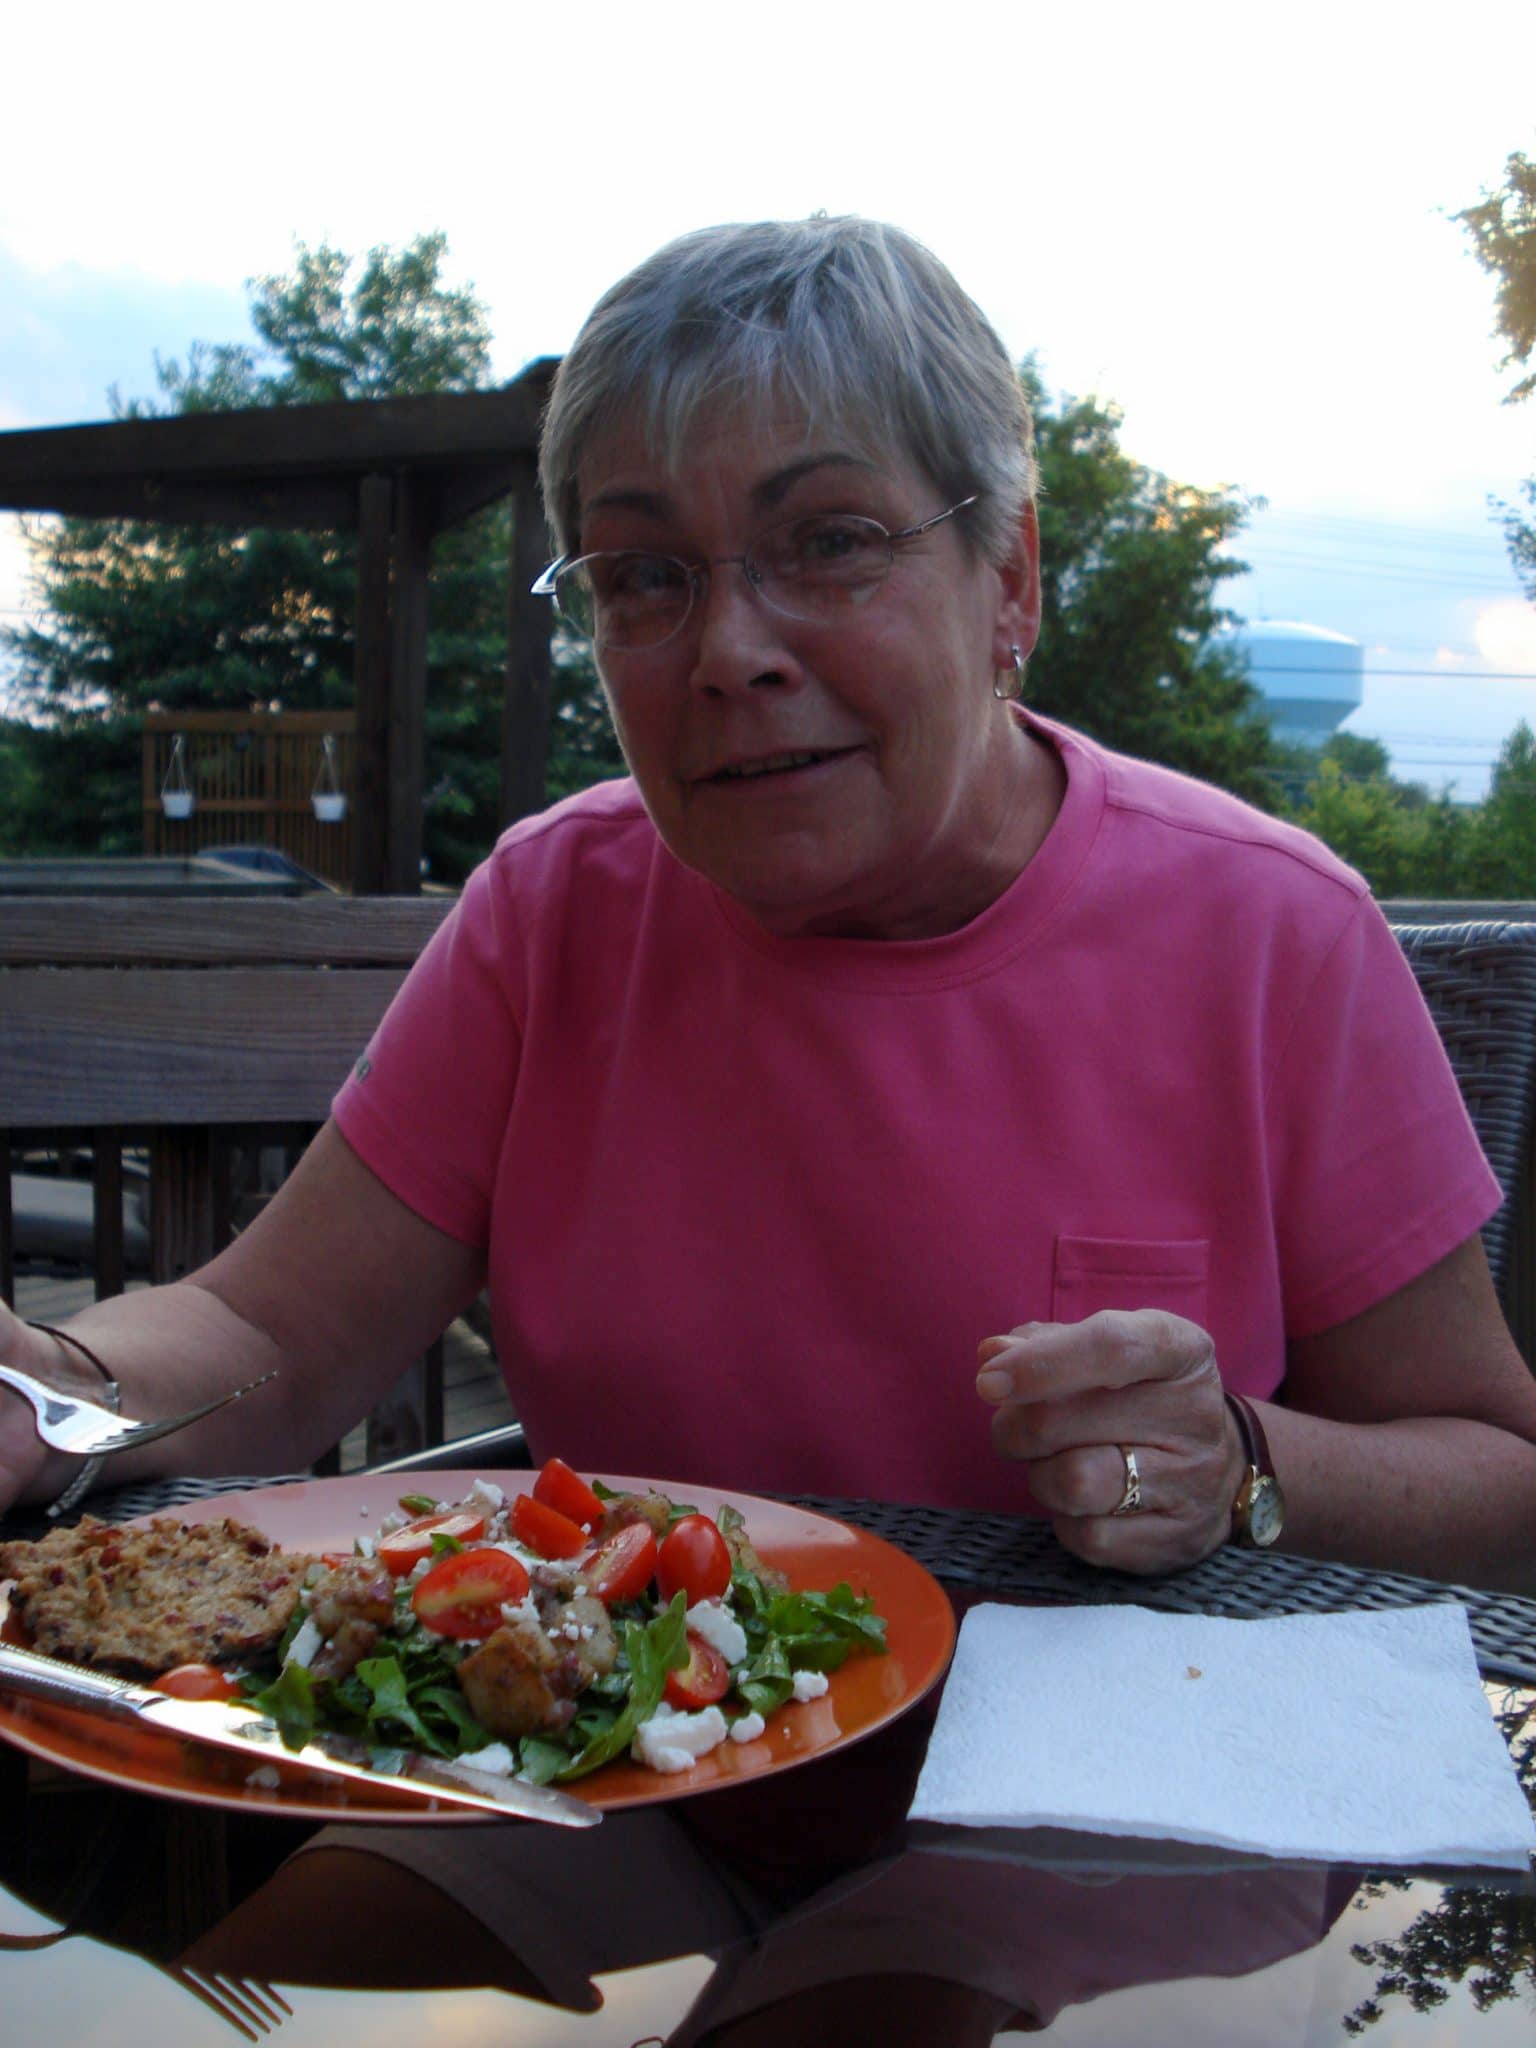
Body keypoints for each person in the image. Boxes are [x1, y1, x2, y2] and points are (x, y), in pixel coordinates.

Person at [4, 213, 1536, 2048]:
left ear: (1011, 579)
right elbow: (262, 1333)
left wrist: (1245, 1463)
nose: (730, 648)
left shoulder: (1271, 932)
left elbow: (1499, 1480)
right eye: (645, 577)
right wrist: (46, 1393)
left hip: (1114, 1807)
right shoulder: (551, 911)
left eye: (830, 544)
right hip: (625, 1766)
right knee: (309, 1984)